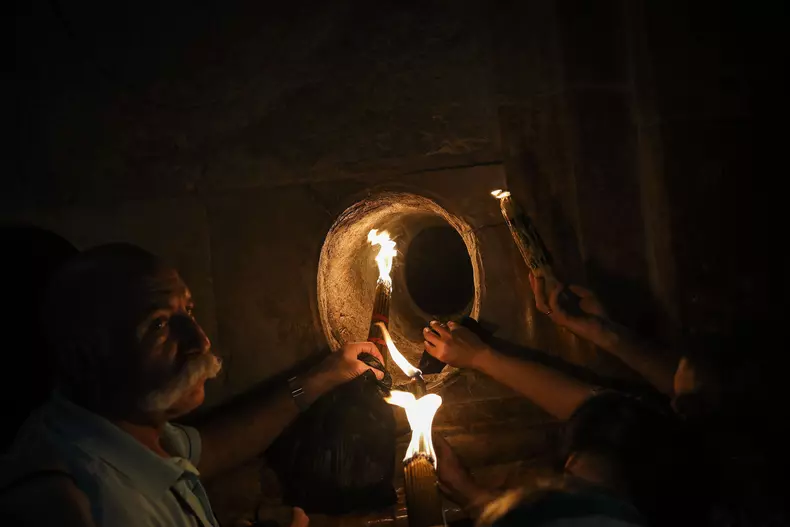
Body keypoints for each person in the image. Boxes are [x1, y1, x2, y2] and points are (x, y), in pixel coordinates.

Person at [0, 243, 385, 526]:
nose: (200, 341)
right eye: (159, 324)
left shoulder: (127, 429)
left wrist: (323, 377)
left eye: (189, 310)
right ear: (83, 355)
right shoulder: (80, 502)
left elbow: (214, 448)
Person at [423, 274, 723, 527]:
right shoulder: (691, 445)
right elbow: (601, 415)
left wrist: (471, 497)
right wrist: (602, 331)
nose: (567, 482)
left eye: (571, 481)